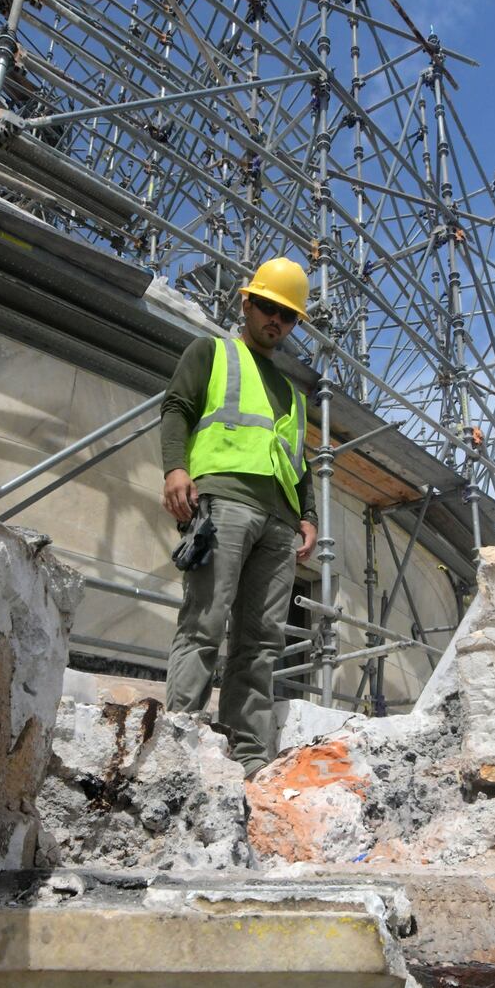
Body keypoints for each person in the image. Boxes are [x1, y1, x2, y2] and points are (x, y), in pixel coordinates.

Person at [161, 256, 318, 778]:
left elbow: (301, 463)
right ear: (246, 303)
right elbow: (177, 407)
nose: (276, 320)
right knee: (204, 622)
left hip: (279, 524)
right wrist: (175, 468)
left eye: (288, 315)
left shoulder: (293, 393)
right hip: (225, 502)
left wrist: (309, 515)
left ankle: (247, 755)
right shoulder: (213, 352)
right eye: (269, 307)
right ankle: (179, 738)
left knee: (260, 643)